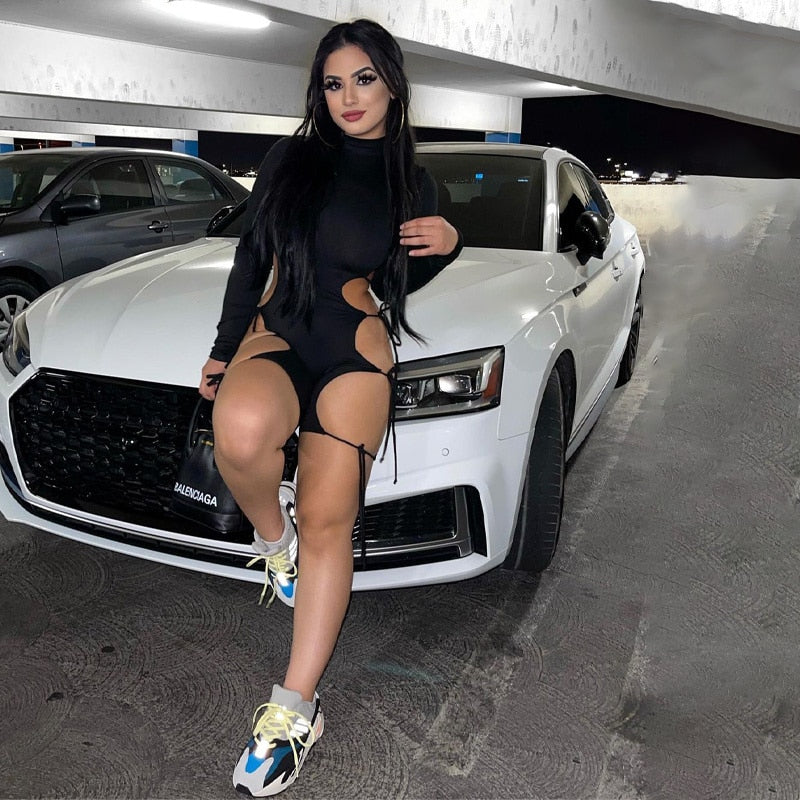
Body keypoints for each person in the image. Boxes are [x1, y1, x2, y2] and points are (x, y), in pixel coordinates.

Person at [198, 18, 462, 797]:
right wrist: (223, 346)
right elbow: (253, 254)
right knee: (239, 434)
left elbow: (402, 281)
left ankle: (294, 709)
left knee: (328, 518)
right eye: (334, 82)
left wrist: (449, 243)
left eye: (364, 79)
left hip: (356, 352)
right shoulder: (291, 159)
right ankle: (271, 540)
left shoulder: (414, 182)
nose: (349, 96)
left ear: (393, 84)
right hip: (278, 331)